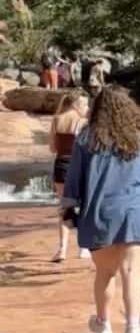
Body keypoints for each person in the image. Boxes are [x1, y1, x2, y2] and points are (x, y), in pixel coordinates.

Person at [61, 87, 140, 333]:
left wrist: (69, 209)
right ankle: (133, 328)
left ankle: (103, 323)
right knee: (132, 270)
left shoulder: (86, 138)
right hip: (135, 211)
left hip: (99, 211)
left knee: (105, 272)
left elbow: (74, 180)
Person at [49, 89, 90, 262]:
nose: (87, 107)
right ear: (76, 104)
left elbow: (52, 148)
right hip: (77, 166)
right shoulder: (82, 122)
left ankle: (62, 249)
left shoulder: (57, 119)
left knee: (64, 208)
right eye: (84, 104)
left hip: (60, 165)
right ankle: (83, 248)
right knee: (83, 205)